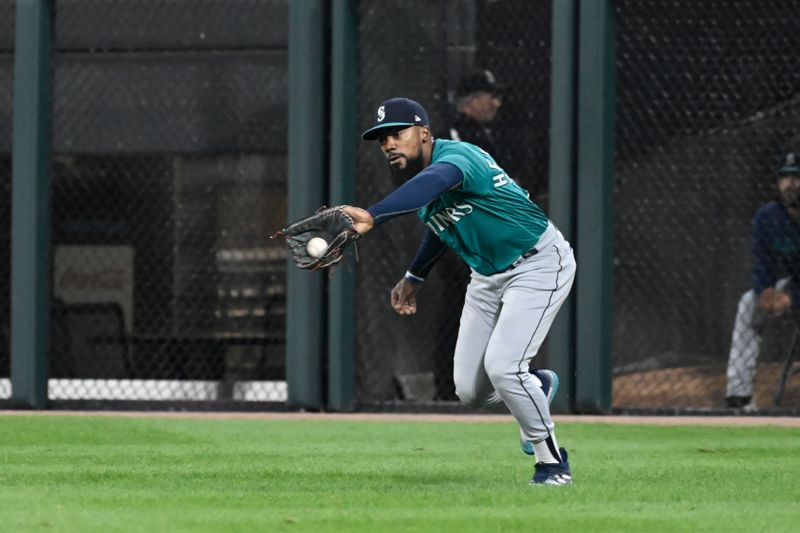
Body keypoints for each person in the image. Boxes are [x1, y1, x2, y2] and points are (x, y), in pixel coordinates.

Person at [342, 97, 576, 485]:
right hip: (486, 278)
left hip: (538, 263)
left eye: (397, 134)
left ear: (424, 133)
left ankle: (551, 463)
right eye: (382, 140)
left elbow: (433, 185)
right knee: (469, 390)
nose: (389, 145)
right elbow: (441, 227)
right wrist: (414, 275)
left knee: (504, 366)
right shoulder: (416, 181)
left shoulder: (458, 157)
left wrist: (374, 215)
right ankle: (538, 385)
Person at [725, 153, 800, 410]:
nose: (790, 184)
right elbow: (763, 263)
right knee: (749, 303)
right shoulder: (768, 217)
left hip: (796, 291)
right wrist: (765, 290)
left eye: (797, 176)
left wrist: (793, 298)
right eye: (785, 177)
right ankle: (740, 395)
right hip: (794, 284)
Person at [443, 69, 505, 166]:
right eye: (492, 97)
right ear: (472, 100)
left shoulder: (492, 134)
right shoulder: (453, 137)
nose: (497, 104)